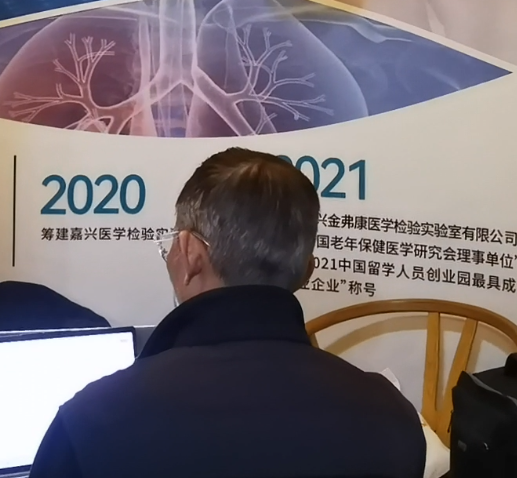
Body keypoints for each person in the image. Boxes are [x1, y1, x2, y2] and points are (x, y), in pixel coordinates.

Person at [29, 148, 427, 478]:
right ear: (307, 271)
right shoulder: (391, 417)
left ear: (190, 254)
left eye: (173, 244)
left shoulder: (92, 421)